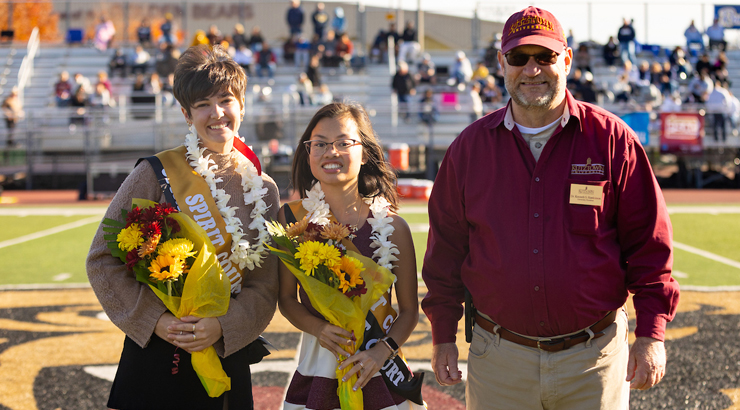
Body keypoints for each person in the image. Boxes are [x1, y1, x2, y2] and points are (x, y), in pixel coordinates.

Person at [422, 6, 679, 410]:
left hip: (592, 361)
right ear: (502, 63)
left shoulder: (613, 141)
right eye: (519, 58)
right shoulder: (468, 150)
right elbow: (446, 253)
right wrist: (442, 336)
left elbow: (649, 245)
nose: (532, 69)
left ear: (567, 59)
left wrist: (651, 334)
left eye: (545, 57)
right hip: (499, 360)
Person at [86, 44, 280, 410]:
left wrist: (224, 325)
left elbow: (265, 284)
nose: (217, 113)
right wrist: (155, 321)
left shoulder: (263, 189)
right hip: (158, 349)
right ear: (186, 113)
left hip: (227, 348)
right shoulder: (154, 173)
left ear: (242, 104)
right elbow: (101, 259)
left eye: (225, 99)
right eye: (203, 104)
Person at [278, 102, 424, 410]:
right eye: (319, 144)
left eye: (344, 143)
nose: (331, 152)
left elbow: (409, 311)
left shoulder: (394, 227)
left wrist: (381, 352)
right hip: (318, 366)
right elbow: (287, 299)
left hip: (379, 367)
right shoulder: (293, 220)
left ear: (365, 152)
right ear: (308, 153)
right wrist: (318, 328)